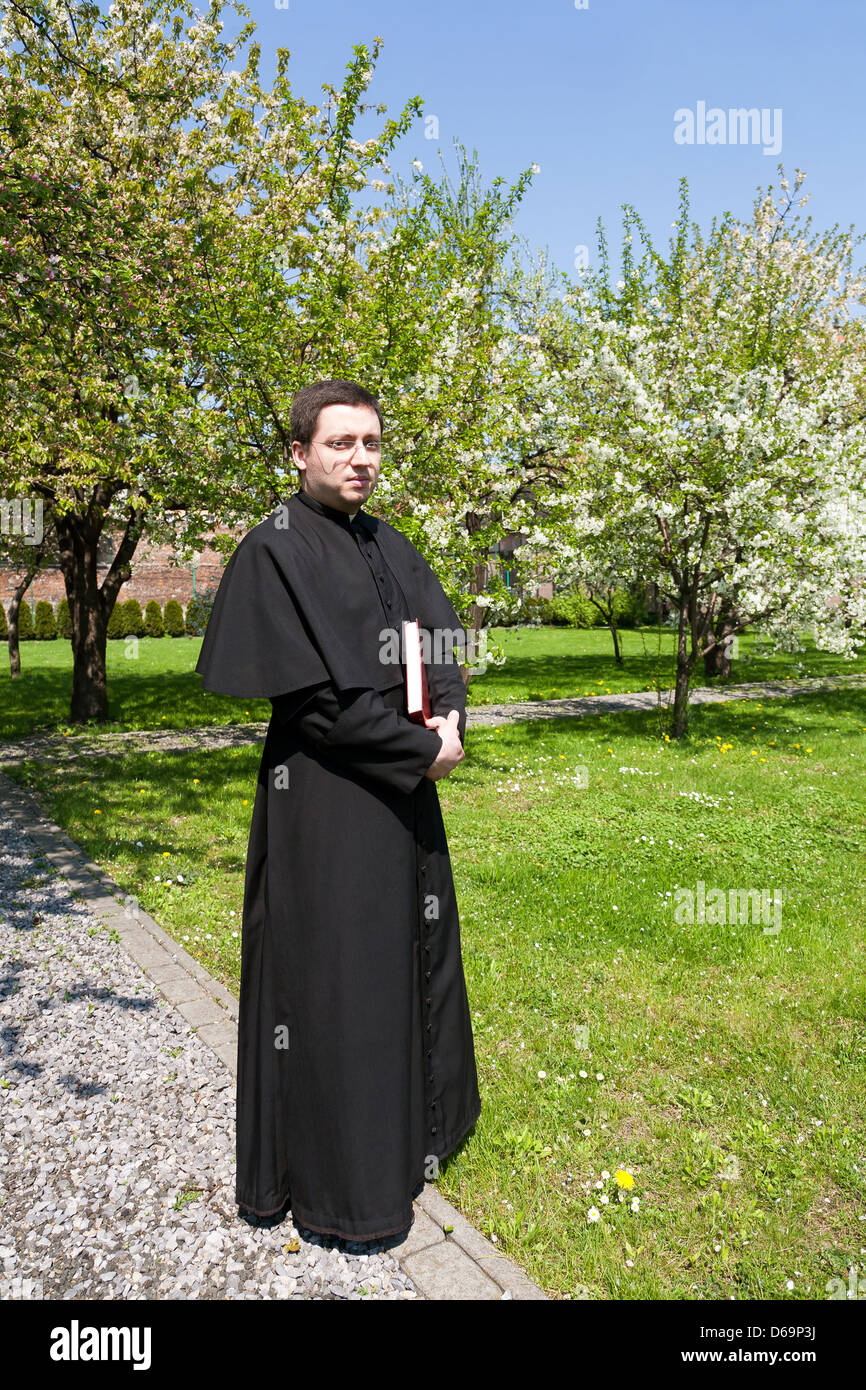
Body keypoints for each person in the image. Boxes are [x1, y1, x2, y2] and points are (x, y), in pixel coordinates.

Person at [195, 379, 481, 1242]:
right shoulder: (272, 552)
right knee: (338, 985)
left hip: (401, 797)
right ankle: (345, 1191)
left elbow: (443, 642)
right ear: (299, 453)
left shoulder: (389, 544)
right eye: (340, 443)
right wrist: (423, 752)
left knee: (404, 962)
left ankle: (410, 1142)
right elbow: (317, 706)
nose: (360, 459)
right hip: (324, 805)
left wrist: (452, 713)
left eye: (372, 444)